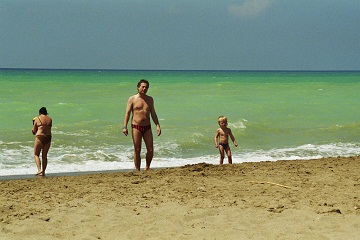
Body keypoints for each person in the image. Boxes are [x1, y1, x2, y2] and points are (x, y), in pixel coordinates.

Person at [122, 79, 161, 171]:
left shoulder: (150, 99)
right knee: (137, 149)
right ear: (138, 87)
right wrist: (124, 126)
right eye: (142, 87)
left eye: (146, 87)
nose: (144, 89)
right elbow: (127, 113)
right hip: (136, 127)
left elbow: (153, 113)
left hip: (147, 127)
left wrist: (158, 125)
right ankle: (137, 170)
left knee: (150, 149)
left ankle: (147, 167)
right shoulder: (132, 99)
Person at [32, 107, 52, 176]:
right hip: (48, 138)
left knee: (36, 154)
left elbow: (34, 131)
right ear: (46, 113)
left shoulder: (37, 119)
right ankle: (43, 172)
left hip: (40, 137)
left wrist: (33, 123)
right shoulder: (50, 119)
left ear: (39, 113)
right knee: (44, 155)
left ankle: (39, 170)